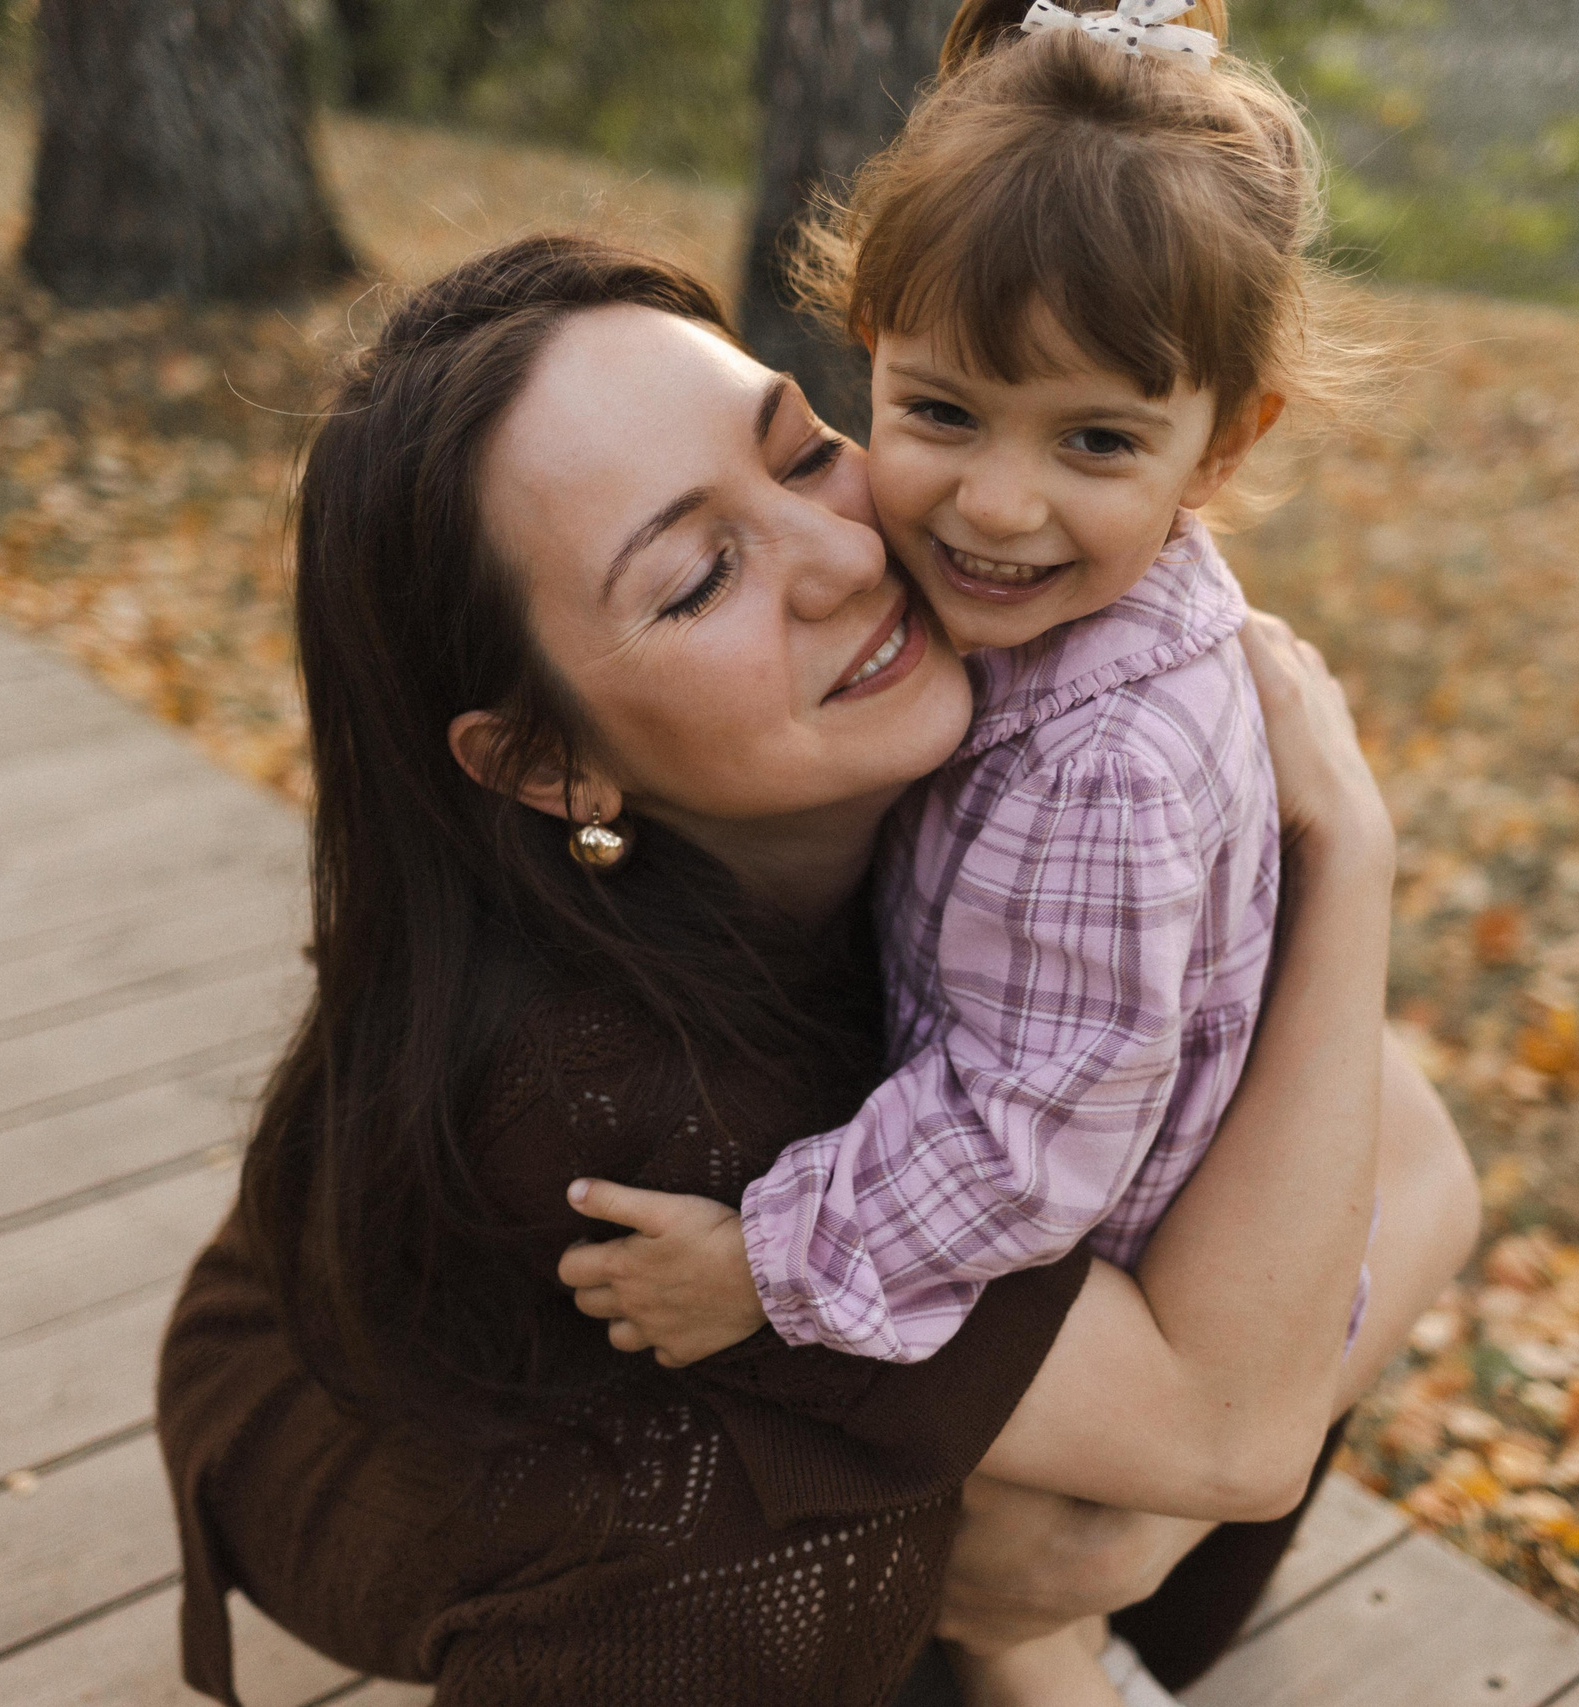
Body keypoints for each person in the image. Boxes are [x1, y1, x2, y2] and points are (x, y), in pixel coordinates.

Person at [154, 233, 1476, 1707]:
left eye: (800, 457)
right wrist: (1348, 853)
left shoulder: (1036, 754)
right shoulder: (633, 1105)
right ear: (548, 761)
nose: (851, 559)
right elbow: (1228, 1422)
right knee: (849, 1539)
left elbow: (1415, 1155)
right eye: (701, 575)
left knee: (1085, 1438)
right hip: (364, 1420)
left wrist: (1102, 1550)